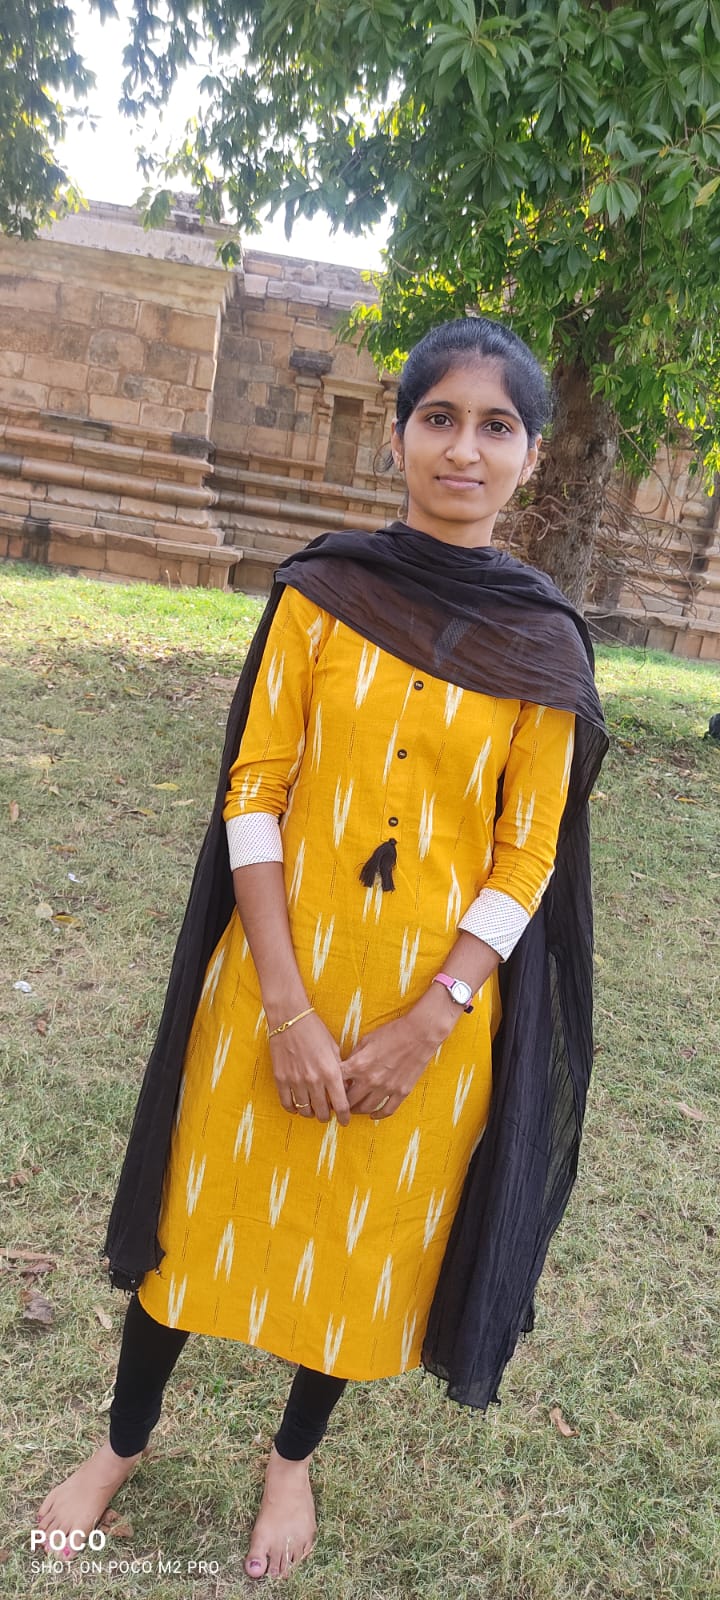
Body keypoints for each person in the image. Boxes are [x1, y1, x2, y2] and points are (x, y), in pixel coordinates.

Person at [36, 316, 608, 1579]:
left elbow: (528, 854)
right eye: (439, 417)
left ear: (530, 454)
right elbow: (255, 792)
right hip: (271, 977)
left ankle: (291, 1458)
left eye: (496, 425)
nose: (463, 448)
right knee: (197, 1213)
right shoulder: (321, 593)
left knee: (361, 1241)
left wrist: (430, 1019)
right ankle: (122, 1442)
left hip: (429, 1017)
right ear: (397, 435)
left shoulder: (542, 643)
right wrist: (287, 1008)